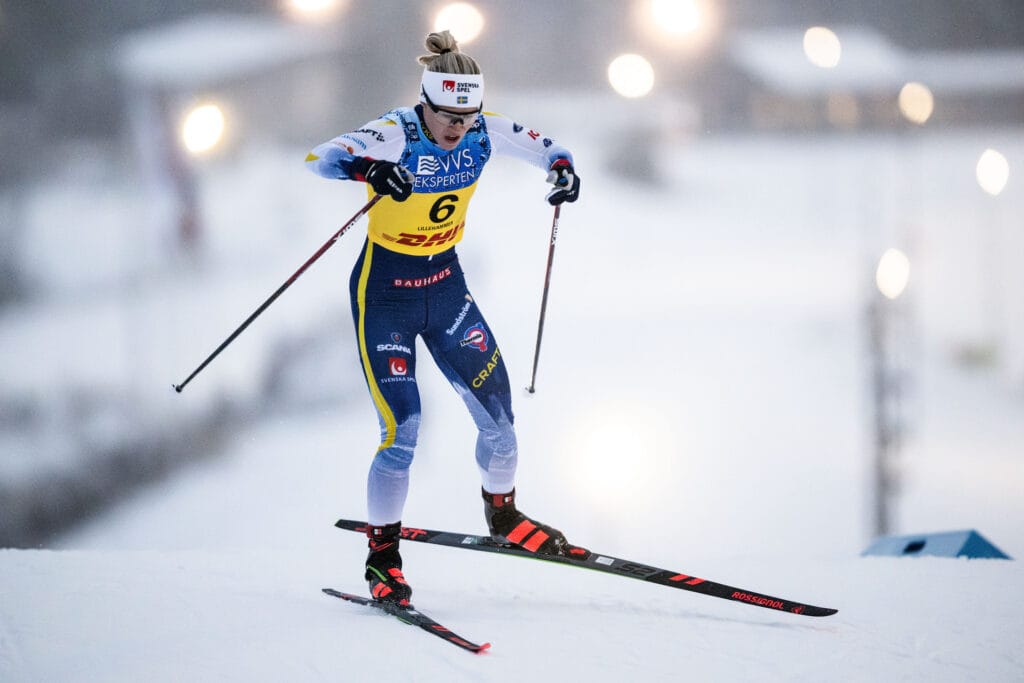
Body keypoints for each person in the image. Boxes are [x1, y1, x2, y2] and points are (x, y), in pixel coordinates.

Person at [305, 30, 584, 606]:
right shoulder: (395, 131)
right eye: (446, 115)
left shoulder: (484, 130)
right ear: (424, 104)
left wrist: (563, 172)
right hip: (384, 294)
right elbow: (319, 158)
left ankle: (503, 517)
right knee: (402, 429)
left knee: (501, 423)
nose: (458, 127)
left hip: (446, 288)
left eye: (467, 114)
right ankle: (383, 560)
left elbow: (552, 148)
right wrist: (367, 171)